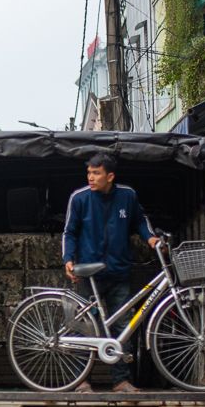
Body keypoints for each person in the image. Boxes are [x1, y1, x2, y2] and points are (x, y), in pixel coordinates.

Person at [62, 152, 160, 393]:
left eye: (96, 173)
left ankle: (121, 381)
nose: (91, 178)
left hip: (119, 273)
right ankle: (81, 381)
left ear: (110, 176)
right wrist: (68, 259)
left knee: (122, 327)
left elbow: (139, 221)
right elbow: (69, 232)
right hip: (89, 275)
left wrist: (150, 239)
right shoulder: (80, 198)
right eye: (89, 173)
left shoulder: (127, 196)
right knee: (84, 327)